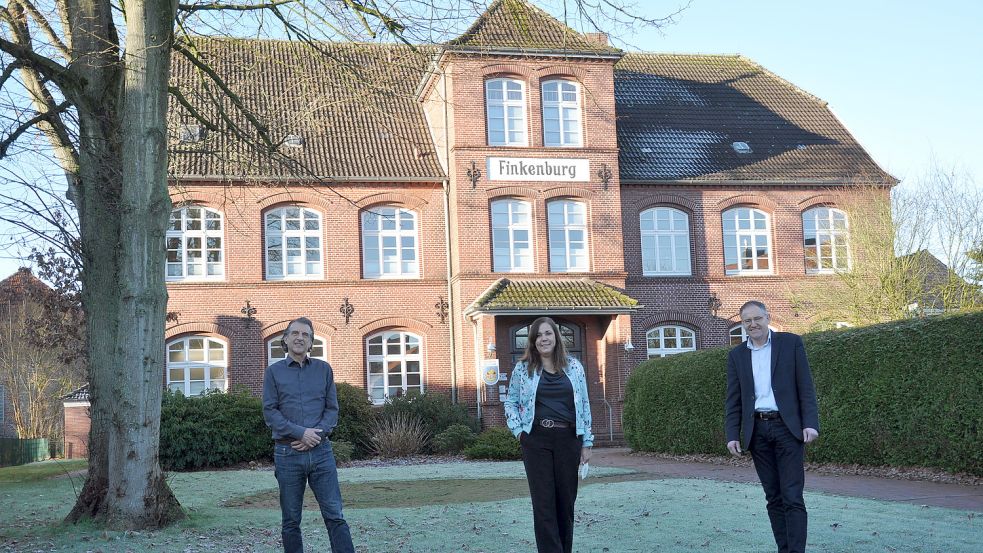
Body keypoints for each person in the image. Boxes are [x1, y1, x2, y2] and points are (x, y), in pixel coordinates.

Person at [725, 300, 820, 553]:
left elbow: (806, 387)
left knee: (792, 496)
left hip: (788, 429)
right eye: (747, 321)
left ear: (767, 318)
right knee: (773, 498)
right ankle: (784, 549)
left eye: (757, 319)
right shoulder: (736, 356)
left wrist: (810, 423)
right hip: (757, 432)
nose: (753, 324)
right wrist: (732, 434)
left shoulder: (790, 344)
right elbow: (733, 399)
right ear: (742, 324)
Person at [262, 317, 355, 553]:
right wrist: (301, 433)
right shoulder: (273, 372)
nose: (300, 338)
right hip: (287, 453)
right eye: (295, 333)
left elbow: (332, 410)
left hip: (322, 453)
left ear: (311, 341)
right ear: (285, 338)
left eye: (306, 335)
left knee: (335, 515)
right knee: (291, 521)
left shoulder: (324, 370)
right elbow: (270, 412)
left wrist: (316, 436)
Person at [504, 316, 593, 553]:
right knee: (543, 505)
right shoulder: (523, 369)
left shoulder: (574, 367)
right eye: (538, 335)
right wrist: (520, 433)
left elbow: (584, 404)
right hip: (536, 441)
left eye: (548, 334)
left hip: (568, 440)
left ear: (556, 336)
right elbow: (510, 402)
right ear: (533, 342)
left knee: (566, 504)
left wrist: (586, 442)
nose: (544, 339)